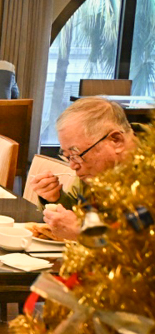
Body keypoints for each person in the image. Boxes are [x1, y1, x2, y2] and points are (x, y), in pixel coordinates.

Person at [27, 97, 137, 240]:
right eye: (68, 156)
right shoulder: (93, 170)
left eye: (76, 154)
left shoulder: (149, 167)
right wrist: (55, 198)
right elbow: (76, 211)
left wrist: (86, 232)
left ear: (116, 140)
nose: (73, 166)